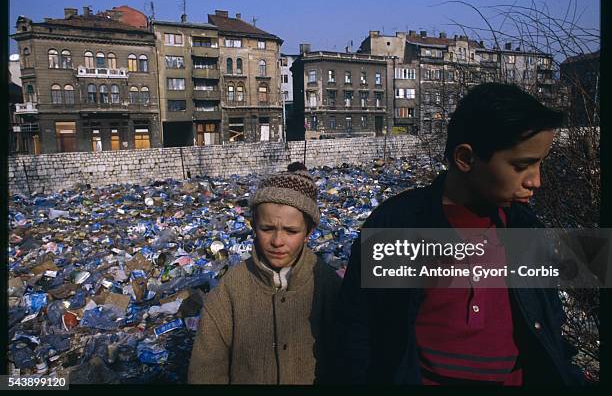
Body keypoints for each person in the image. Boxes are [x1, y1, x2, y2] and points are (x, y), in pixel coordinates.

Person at [335, 83, 585, 385]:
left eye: (540, 163)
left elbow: (549, 326)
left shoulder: (524, 228)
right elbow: (357, 339)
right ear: (466, 158)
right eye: (522, 165)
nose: (536, 181)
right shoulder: (397, 226)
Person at [188, 162, 341, 384]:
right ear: (253, 226)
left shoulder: (327, 285)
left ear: (309, 232)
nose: (277, 242)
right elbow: (207, 370)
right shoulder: (231, 289)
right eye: (267, 229)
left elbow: (347, 361)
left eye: (291, 231)